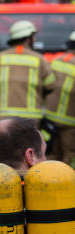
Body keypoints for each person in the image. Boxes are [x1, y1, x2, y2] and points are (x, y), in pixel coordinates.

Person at [0, 21, 55, 125]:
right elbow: (50, 87)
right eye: (33, 37)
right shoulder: (40, 60)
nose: (35, 39)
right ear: (28, 39)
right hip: (31, 119)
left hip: (4, 118)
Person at [43, 31, 75, 168]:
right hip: (70, 122)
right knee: (70, 156)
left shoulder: (56, 62)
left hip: (50, 119)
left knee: (51, 156)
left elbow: (46, 86)